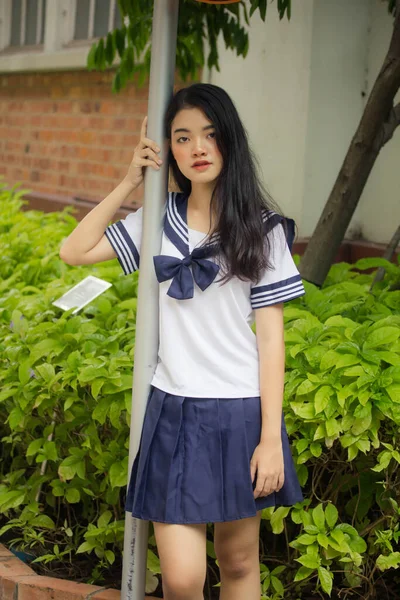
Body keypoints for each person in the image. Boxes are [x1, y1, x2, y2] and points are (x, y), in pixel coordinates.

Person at [60, 83, 305, 600]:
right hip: (174, 411)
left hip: (241, 412)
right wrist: (130, 181)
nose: (197, 148)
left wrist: (268, 438)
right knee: (182, 577)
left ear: (229, 142)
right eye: (183, 137)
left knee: (238, 564)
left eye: (210, 135)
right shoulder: (156, 220)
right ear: (168, 149)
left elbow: (271, 340)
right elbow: (74, 251)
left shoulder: (262, 229)